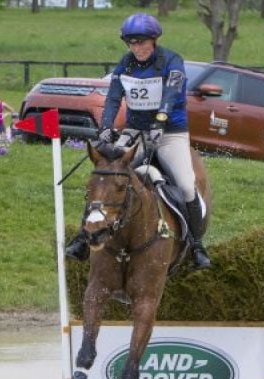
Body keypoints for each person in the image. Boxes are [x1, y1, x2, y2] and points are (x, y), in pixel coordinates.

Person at [64, 12, 210, 269]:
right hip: (136, 133)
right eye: (132, 43)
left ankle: (197, 245)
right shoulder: (126, 64)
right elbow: (113, 98)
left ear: (154, 41)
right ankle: (82, 238)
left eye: (141, 42)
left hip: (170, 134)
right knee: (104, 176)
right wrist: (106, 128)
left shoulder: (171, 61)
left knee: (187, 185)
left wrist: (161, 121)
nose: (137, 48)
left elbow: (172, 94)